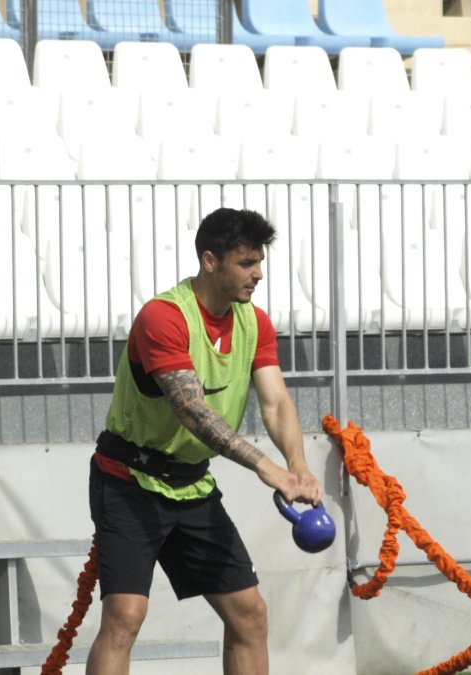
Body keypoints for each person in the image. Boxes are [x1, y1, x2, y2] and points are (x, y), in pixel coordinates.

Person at [86, 207, 323, 675]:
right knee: (124, 618)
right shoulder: (164, 316)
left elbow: (275, 402)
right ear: (210, 260)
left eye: (260, 262)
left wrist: (297, 465)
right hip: (128, 482)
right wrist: (264, 466)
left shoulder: (254, 323)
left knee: (249, 614)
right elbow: (192, 410)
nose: (258, 274)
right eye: (246, 263)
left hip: (191, 486)